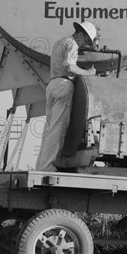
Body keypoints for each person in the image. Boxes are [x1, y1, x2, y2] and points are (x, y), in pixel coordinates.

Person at [35, 21, 99, 172]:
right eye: (86, 40)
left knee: (49, 130)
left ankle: (40, 165)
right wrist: (88, 73)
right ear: (81, 34)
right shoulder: (72, 44)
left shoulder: (60, 41)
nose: (85, 44)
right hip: (63, 86)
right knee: (58, 129)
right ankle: (46, 167)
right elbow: (69, 65)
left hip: (52, 85)